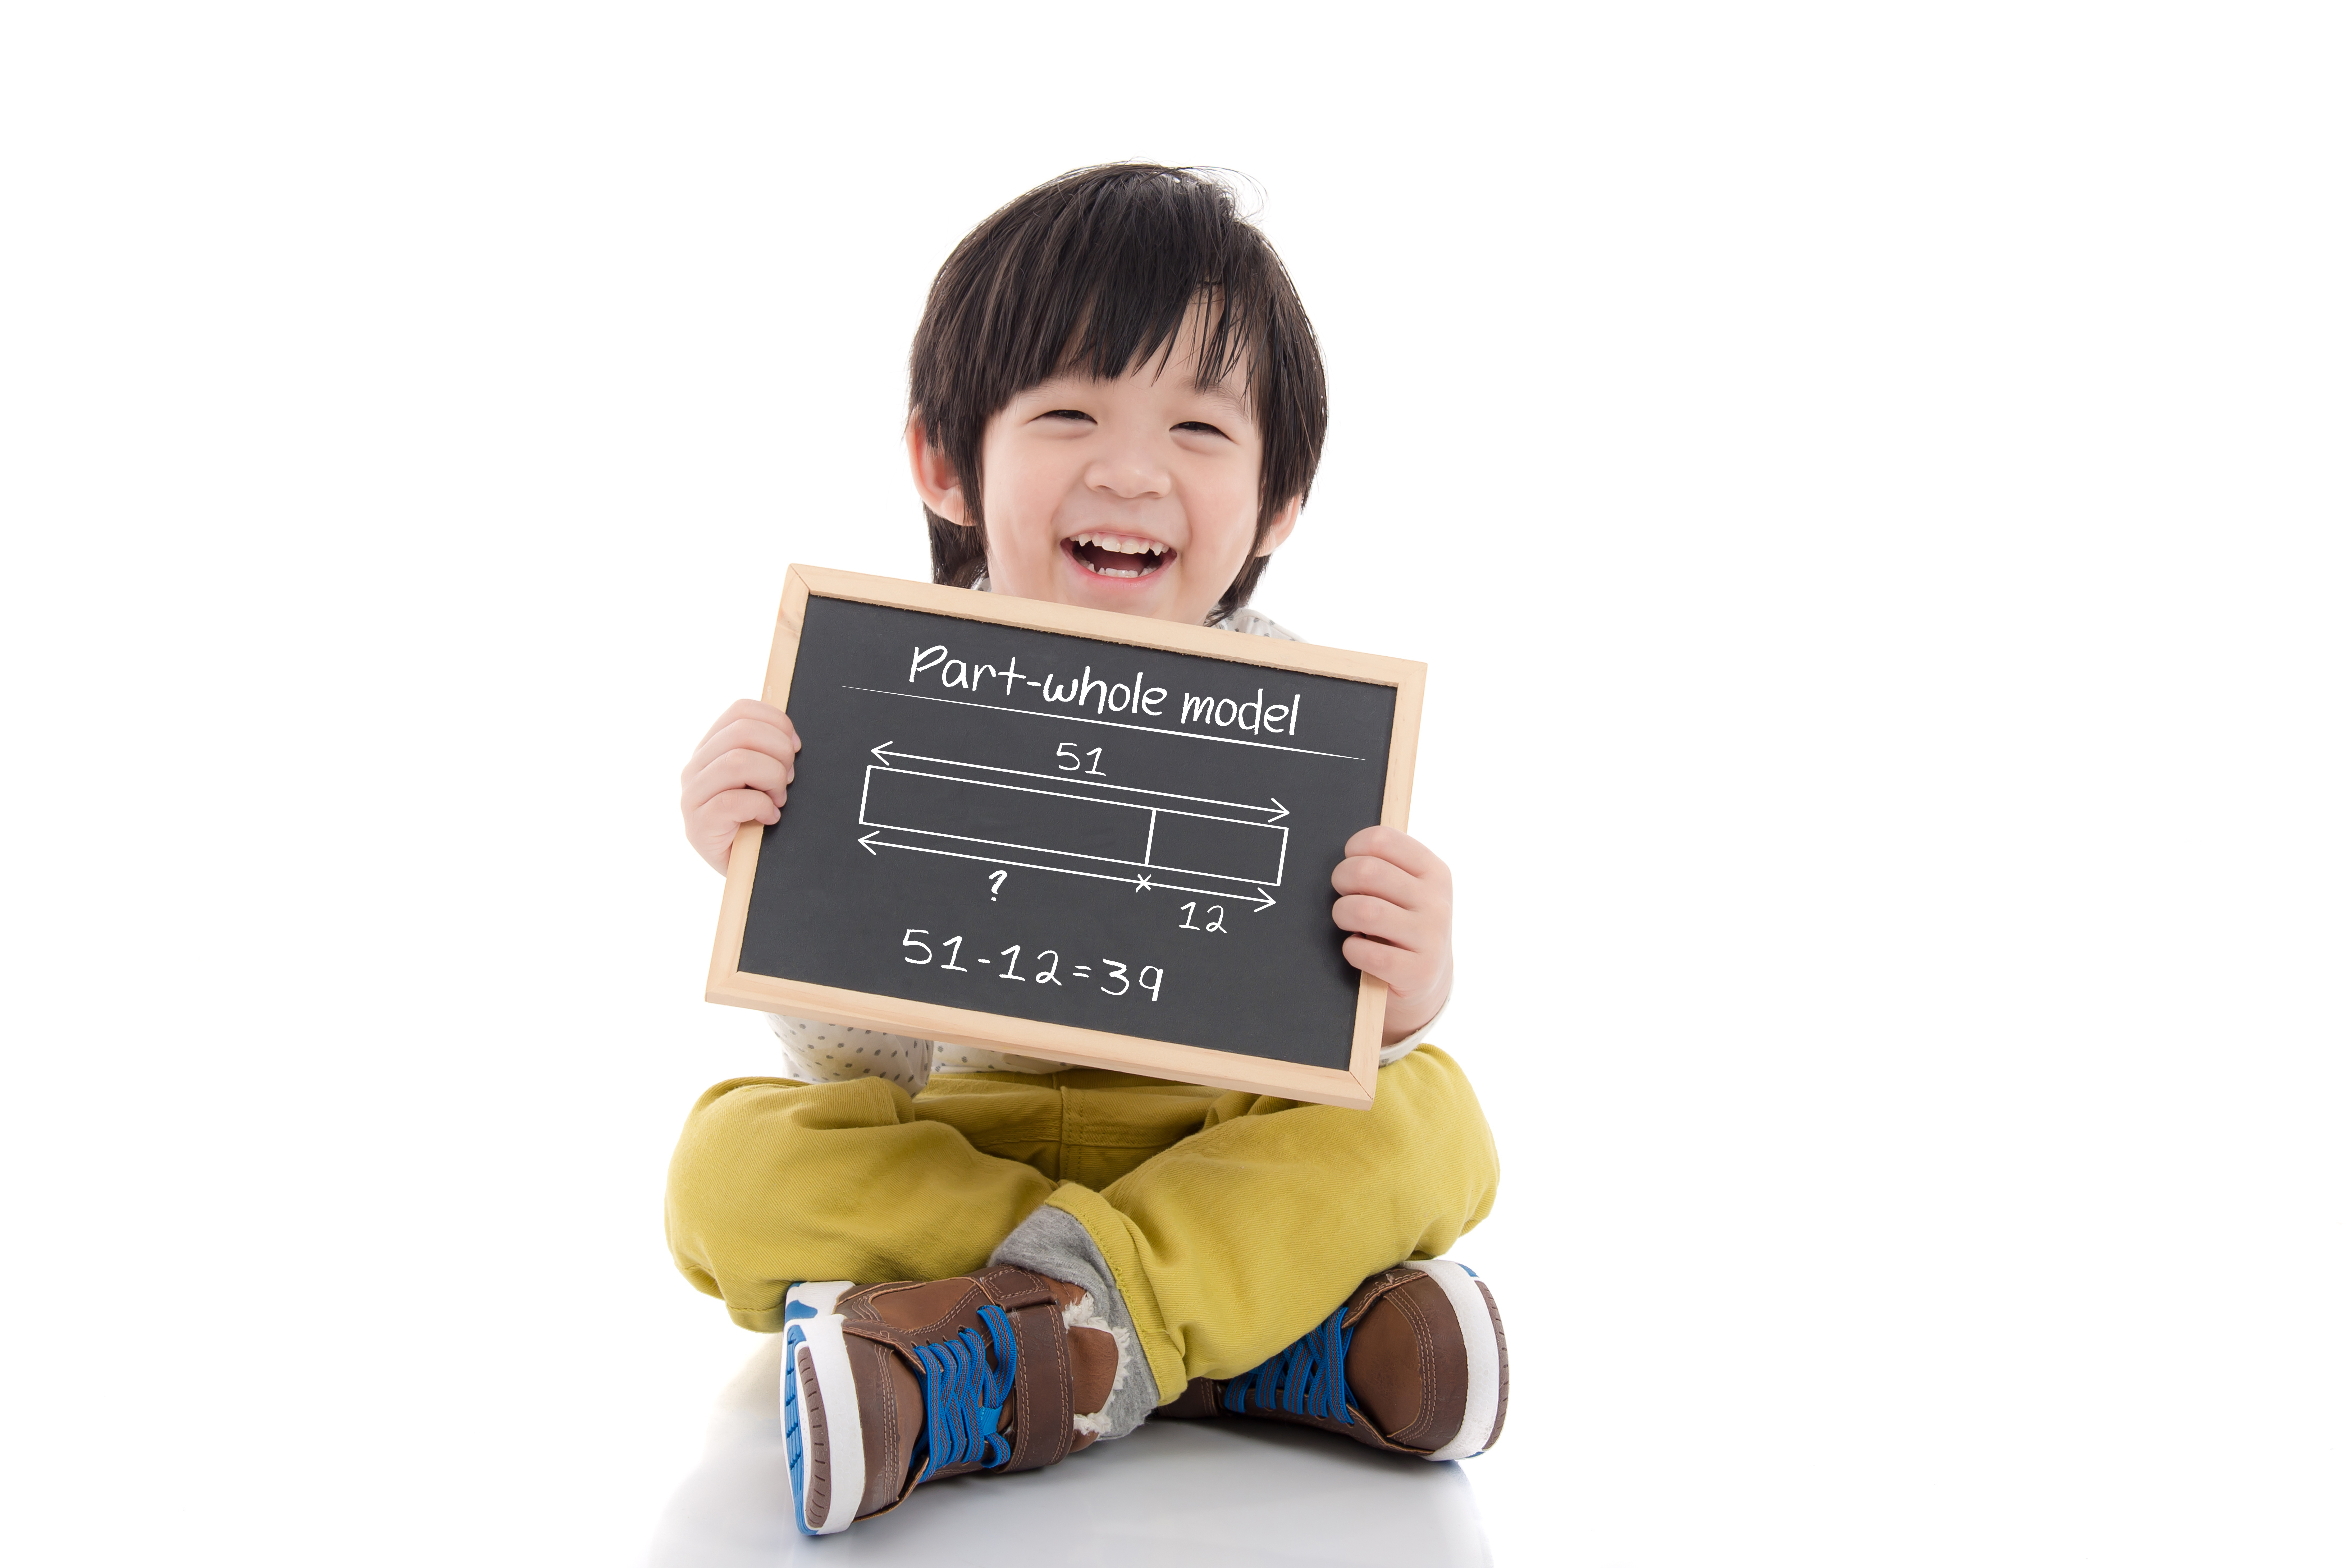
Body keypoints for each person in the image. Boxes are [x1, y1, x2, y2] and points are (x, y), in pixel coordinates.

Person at [666, 164, 1504, 1536]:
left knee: (1439, 1122)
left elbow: (1335, 1030)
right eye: (1068, 413)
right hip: (969, 1139)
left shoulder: (1305, 715)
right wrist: (775, 870)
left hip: (1211, 1136)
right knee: (728, 1169)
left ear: (1280, 503)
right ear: (947, 462)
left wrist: (1409, 988)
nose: (1131, 469)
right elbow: (860, 1073)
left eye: (1199, 426)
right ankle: (1257, 1342)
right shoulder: (878, 689)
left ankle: (1006, 1346)